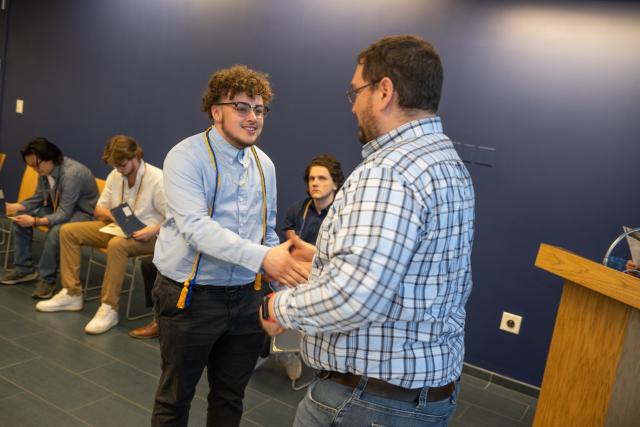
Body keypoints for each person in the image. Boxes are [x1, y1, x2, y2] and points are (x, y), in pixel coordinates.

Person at [260, 35, 475, 427]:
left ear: (385, 91)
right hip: (424, 396)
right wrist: (325, 261)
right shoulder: (447, 161)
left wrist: (277, 307)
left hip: (365, 402)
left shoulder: (387, 172)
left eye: (356, 91)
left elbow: (353, 298)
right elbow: (411, 274)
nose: (354, 104)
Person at [151, 65, 308, 427]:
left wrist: (282, 286)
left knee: (230, 396)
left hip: (245, 298)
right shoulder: (185, 156)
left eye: (260, 109)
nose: (253, 117)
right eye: (242, 107)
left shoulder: (263, 164)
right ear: (215, 110)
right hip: (190, 298)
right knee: (175, 398)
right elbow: (196, 228)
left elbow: (266, 232)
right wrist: (265, 257)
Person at [35, 135, 166, 334]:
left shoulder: (157, 179)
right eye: (115, 166)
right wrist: (115, 216)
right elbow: (99, 209)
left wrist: (151, 229)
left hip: (151, 235)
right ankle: (72, 293)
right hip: (119, 228)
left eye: (121, 165)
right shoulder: (116, 175)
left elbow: (174, 219)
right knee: (68, 232)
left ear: (135, 156)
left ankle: (109, 308)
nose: (119, 170)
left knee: (116, 246)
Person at [0, 138, 99, 299]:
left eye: (35, 165)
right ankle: (24, 269)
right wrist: (14, 207)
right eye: (30, 166)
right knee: (20, 218)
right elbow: (39, 197)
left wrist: (36, 221)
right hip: (58, 208)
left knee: (56, 231)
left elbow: (65, 214)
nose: (33, 169)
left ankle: (47, 279)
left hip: (84, 214)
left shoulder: (72, 174)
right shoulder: (45, 171)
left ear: (48, 158)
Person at [276, 154, 344, 380]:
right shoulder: (299, 209)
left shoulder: (343, 215)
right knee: (277, 294)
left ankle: (316, 355)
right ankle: (285, 353)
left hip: (328, 277)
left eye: (322, 178)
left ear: (335, 183)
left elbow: (338, 257)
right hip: (298, 271)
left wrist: (311, 253)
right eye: (312, 178)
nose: (315, 183)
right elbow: (292, 245)